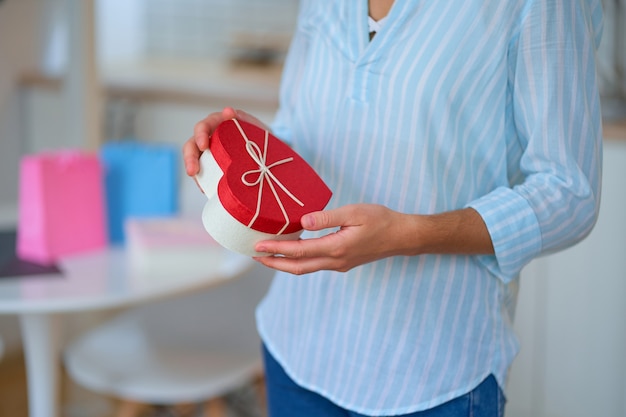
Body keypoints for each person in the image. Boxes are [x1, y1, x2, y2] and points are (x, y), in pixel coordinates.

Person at [183, 1, 604, 416]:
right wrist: (245, 152)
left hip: (433, 378)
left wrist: (412, 234)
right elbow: (302, 133)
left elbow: (569, 193)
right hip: (297, 348)